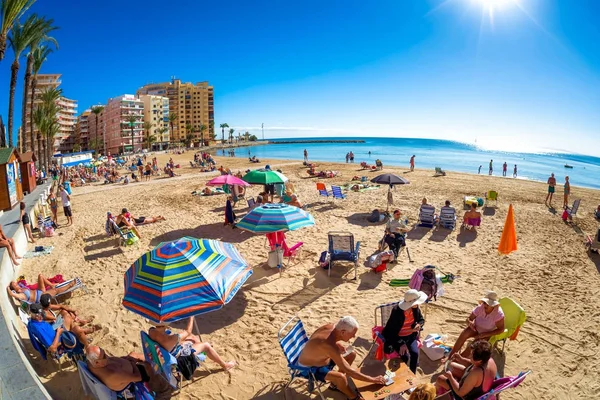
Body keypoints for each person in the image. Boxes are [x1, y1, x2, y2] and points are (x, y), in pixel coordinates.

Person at [297, 316, 386, 399]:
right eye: (352, 334)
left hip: (320, 357)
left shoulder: (332, 327)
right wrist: (373, 379)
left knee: (352, 354)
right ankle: (354, 398)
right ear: (343, 332)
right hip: (309, 368)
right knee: (341, 377)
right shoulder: (329, 345)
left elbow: (326, 342)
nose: (353, 336)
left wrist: (337, 344)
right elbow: (348, 370)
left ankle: (334, 385)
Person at [148, 316, 235, 371]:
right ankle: (225, 365)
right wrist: (191, 317)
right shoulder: (171, 338)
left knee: (192, 338)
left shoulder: (151, 331)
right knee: (206, 345)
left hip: (167, 352)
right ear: (165, 324)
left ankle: (204, 349)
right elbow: (188, 331)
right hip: (179, 359)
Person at [85, 345, 173, 399]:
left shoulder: (92, 362)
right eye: (104, 356)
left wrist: (127, 359)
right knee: (161, 378)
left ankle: (159, 359)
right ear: (97, 362)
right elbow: (139, 377)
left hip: (129, 367)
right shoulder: (113, 375)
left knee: (135, 355)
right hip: (135, 376)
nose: (107, 356)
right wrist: (147, 367)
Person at [381, 289, 427, 373]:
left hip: (410, 336)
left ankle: (412, 373)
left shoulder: (415, 308)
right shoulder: (397, 311)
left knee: (415, 354)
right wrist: (402, 343)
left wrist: (419, 325)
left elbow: (421, 320)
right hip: (397, 337)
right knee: (405, 357)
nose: (419, 304)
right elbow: (391, 331)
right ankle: (403, 374)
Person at [447, 292, 504, 358]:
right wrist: (469, 322)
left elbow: (501, 330)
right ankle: (451, 355)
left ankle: (458, 359)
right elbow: (469, 319)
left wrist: (485, 334)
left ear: (493, 305)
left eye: (488, 304)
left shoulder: (498, 314)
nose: (485, 305)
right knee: (464, 334)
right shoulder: (480, 307)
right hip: (476, 328)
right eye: (484, 303)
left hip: (487, 333)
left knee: (472, 346)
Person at [7, 274, 76, 303]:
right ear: (14, 289)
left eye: (15, 283)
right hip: (40, 297)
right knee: (56, 290)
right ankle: (70, 285)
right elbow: (12, 294)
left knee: (40, 276)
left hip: (39, 291)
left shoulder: (22, 288)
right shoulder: (21, 295)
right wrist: (8, 288)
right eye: (15, 285)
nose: (17, 284)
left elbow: (22, 280)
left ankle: (51, 285)